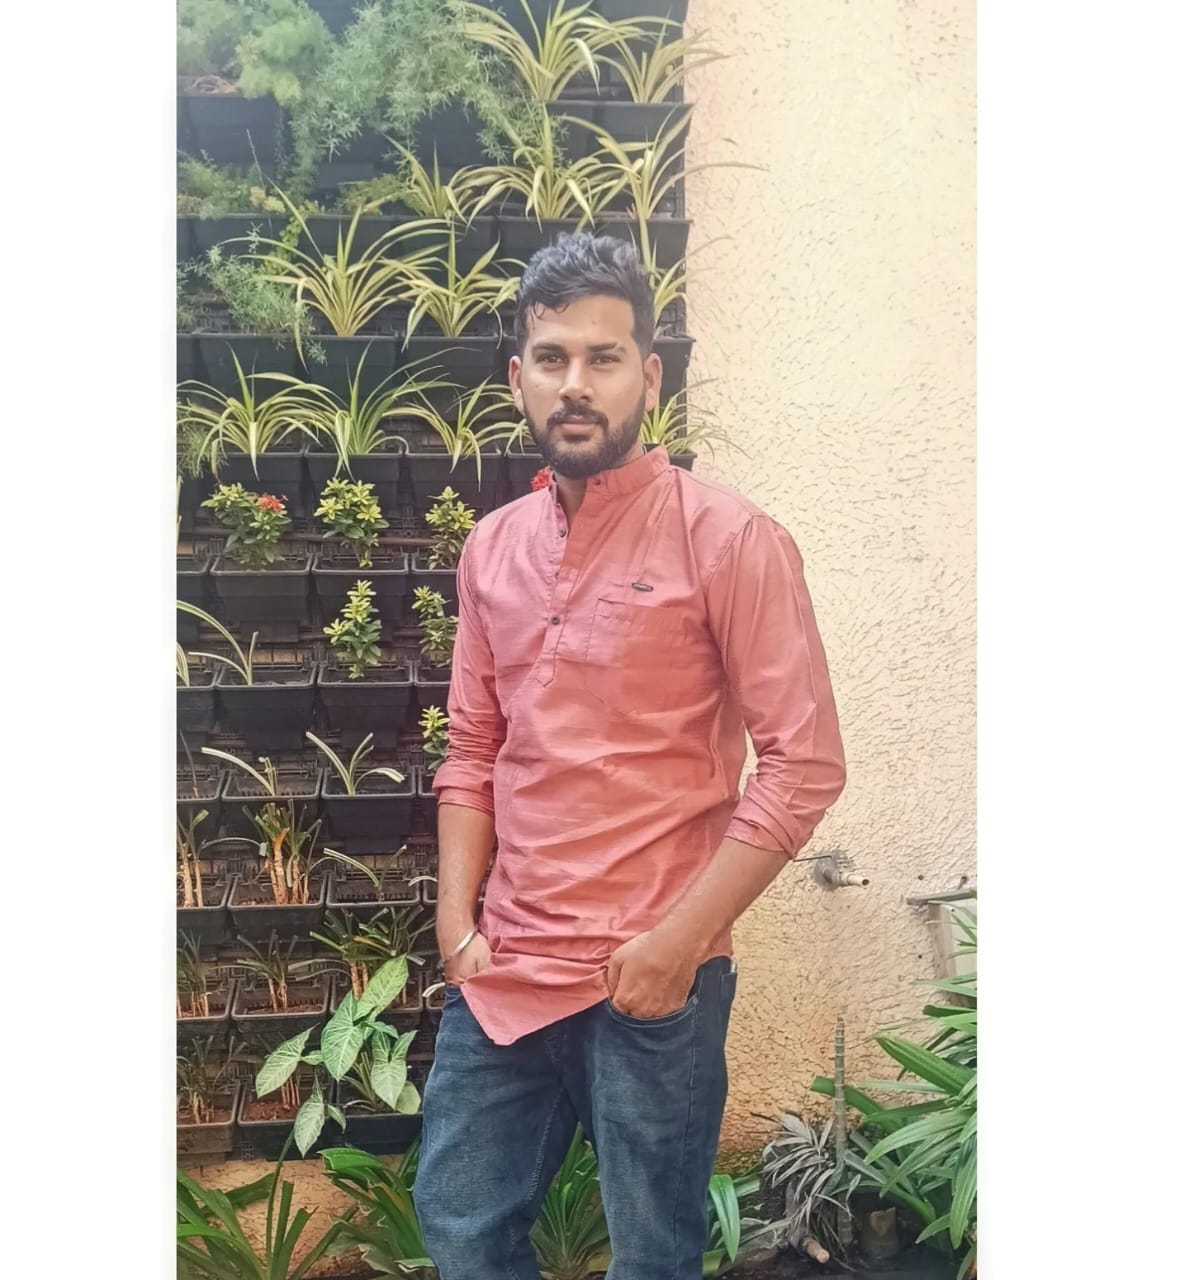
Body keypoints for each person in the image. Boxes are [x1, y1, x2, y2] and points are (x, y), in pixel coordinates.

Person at [412, 233, 847, 1279]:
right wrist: (456, 922)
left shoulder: (728, 539)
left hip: (652, 978)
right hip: (506, 966)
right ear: (517, 378)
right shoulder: (492, 547)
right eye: (552, 357)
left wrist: (677, 943)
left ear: (648, 378)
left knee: (652, 1255)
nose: (576, 383)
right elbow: (473, 746)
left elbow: (803, 763)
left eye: (603, 358)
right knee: (460, 1223)